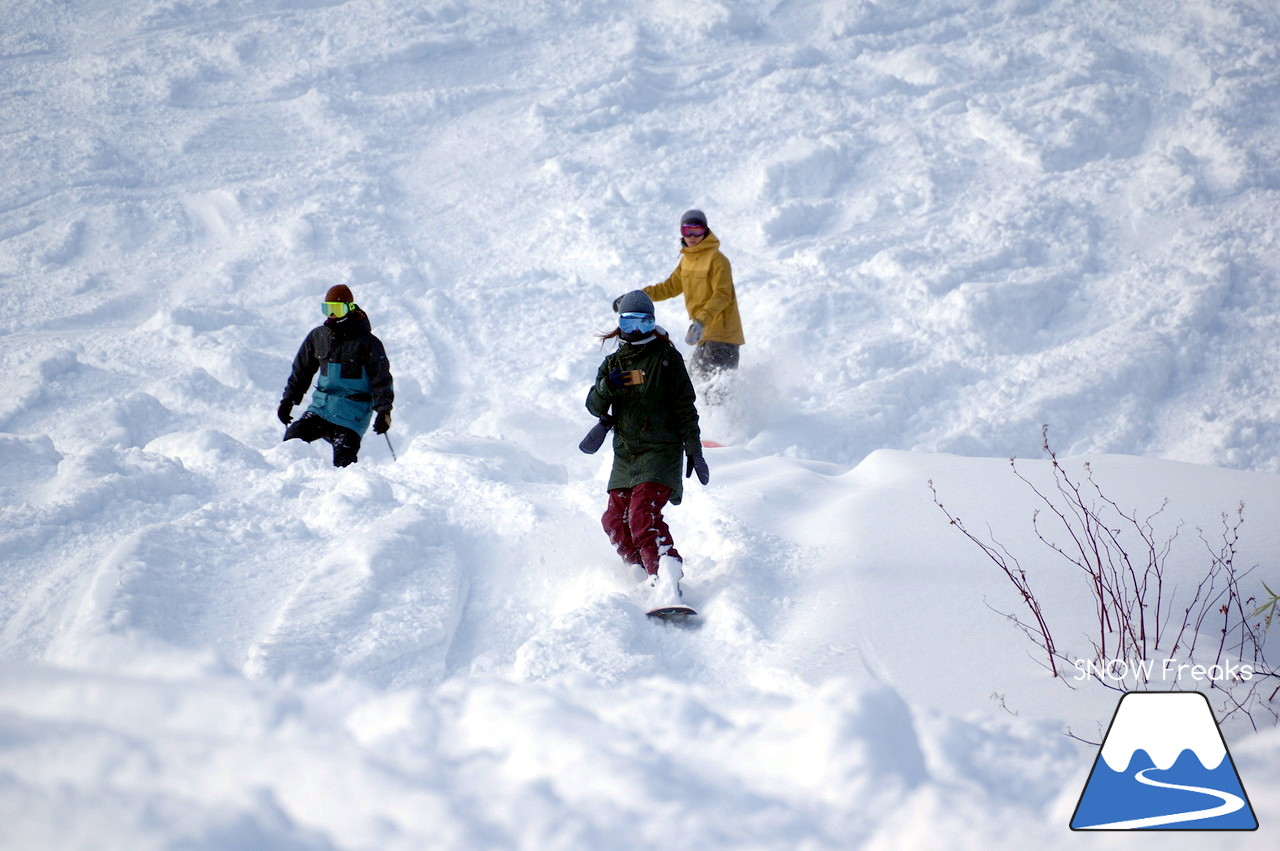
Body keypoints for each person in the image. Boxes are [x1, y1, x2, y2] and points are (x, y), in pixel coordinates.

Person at [586, 290, 709, 605]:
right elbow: (593, 404)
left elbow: (685, 407)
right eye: (630, 321)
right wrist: (607, 385)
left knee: (642, 515)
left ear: (653, 323)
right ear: (620, 323)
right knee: (614, 521)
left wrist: (693, 449)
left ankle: (666, 579)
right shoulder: (613, 363)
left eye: (645, 321)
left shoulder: (666, 357)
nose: (637, 329)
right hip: (626, 455)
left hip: (661, 452)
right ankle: (641, 572)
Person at [277, 284, 394, 467]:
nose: (332, 315)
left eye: (337, 309)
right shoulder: (318, 336)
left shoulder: (368, 343)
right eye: (328, 309)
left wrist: (384, 412)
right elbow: (302, 370)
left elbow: (381, 380)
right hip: (322, 408)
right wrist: (288, 400)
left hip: (352, 413)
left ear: (350, 308)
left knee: (344, 462)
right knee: (292, 441)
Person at [639, 208, 745, 385]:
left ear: (706, 231)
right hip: (704, 336)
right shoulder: (687, 260)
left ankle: (729, 413)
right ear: (682, 232)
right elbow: (669, 287)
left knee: (712, 389)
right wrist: (639, 297)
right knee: (693, 384)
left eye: (698, 230)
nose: (693, 236)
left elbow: (722, 295)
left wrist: (701, 321)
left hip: (723, 337)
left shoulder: (717, 259)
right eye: (688, 231)